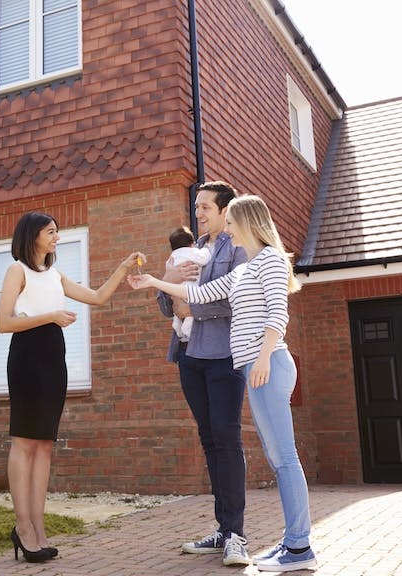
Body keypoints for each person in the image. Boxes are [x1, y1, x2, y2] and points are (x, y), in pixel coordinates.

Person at [129, 195, 316, 573]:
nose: (227, 230)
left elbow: (278, 315)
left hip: (268, 365)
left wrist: (262, 358)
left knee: (285, 458)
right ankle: (292, 542)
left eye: (231, 223)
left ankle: (299, 547)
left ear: (247, 223)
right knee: (278, 458)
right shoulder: (248, 268)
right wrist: (153, 281)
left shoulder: (271, 260)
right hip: (255, 367)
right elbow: (201, 294)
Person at [0, 211, 143, 563]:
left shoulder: (55, 275)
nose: (57, 237)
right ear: (33, 235)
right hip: (27, 358)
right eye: (51, 232)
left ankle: (38, 528)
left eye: (57, 232)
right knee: (24, 442)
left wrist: (122, 268)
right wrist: (51, 316)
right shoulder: (17, 270)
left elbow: (97, 297)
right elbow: (4, 322)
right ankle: (23, 527)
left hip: (53, 360)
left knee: (44, 445)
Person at [156, 182, 251, 564]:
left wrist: (191, 309)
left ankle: (236, 535)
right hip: (188, 356)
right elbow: (166, 305)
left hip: (223, 356)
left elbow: (238, 300)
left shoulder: (239, 248)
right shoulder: (191, 249)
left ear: (226, 210)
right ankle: (223, 529)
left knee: (227, 439)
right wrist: (170, 280)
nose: (198, 214)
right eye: (196, 207)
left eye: (205, 207)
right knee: (209, 439)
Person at [166, 226, 213, 343]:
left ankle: (177, 323)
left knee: (178, 309)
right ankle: (187, 329)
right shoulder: (192, 252)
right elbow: (205, 258)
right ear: (192, 243)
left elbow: (168, 272)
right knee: (190, 311)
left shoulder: (171, 258)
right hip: (190, 288)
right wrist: (206, 249)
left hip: (175, 290)